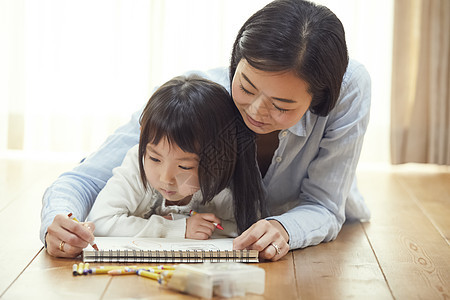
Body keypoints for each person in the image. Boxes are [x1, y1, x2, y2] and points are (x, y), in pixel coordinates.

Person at [41, 0, 371, 261]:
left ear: (320, 100)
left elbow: (324, 205)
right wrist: (59, 222)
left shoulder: (349, 88)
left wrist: (285, 228)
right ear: (236, 61)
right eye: (245, 86)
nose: (255, 111)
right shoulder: (195, 101)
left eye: (282, 106)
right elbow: (85, 179)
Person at [44, 75, 265, 257]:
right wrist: (177, 228)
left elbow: (249, 226)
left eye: (185, 167)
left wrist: (202, 230)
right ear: (142, 139)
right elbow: (100, 222)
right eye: (155, 159)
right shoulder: (136, 163)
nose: (165, 178)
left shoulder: (222, 183)